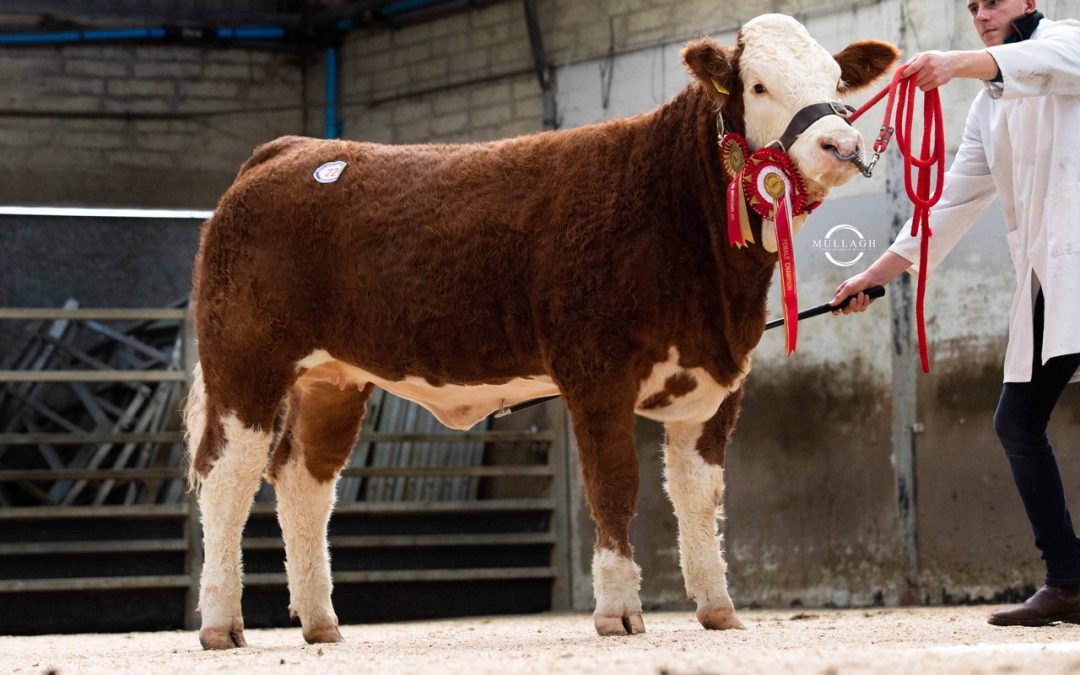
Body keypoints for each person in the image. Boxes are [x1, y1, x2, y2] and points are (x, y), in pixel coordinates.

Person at [831, 0, 1080, 626]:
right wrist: (877, 273)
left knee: (1019, 421)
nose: (981, 14)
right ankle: (1069, 582)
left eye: (992, 2)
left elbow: (1039, 62)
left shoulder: (1069, 42)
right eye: (971, 7)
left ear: (1027, 1)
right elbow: (949, 203)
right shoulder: (988, 106)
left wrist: (956, 63)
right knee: (1017, 422)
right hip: (1055, 278)